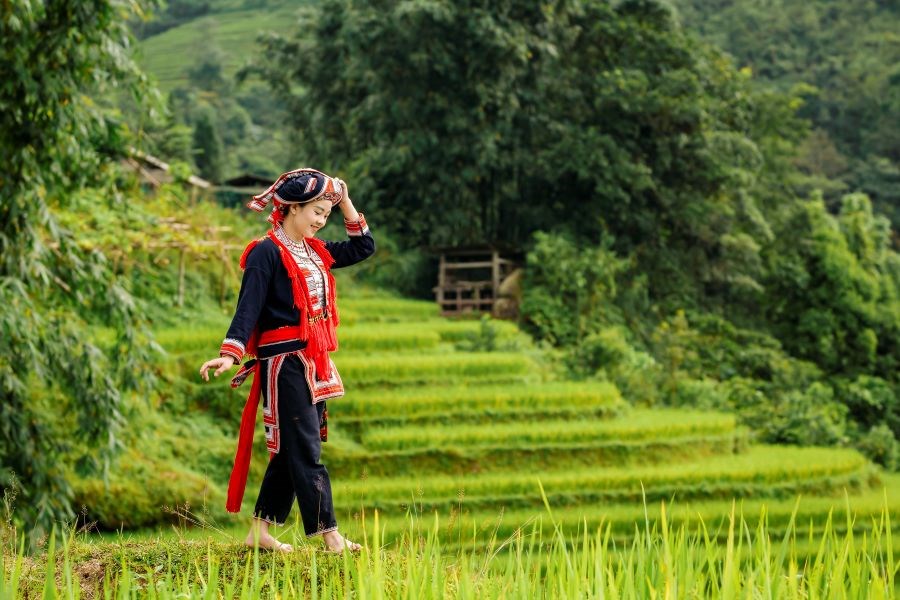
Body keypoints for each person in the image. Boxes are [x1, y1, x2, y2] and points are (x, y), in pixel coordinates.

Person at [199, 168, 375, 553]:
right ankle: (330, 536)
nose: (320, 220)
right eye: (315, 211)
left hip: (313, 362)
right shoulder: (265, 251)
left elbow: (363, 247)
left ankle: (259, 532)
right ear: (292, 207)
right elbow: (248, 308)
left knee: (290, 450)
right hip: (284, 363)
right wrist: (230, 353)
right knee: (306, 448)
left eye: (325, 215)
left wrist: (343, 199)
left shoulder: (316, 251)